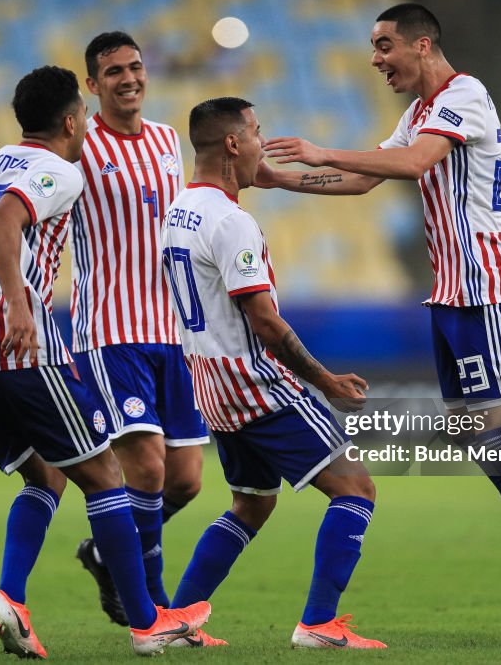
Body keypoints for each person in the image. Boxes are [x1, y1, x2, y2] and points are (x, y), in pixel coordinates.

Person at [260, 3, 501, 640]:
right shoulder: (419, 113)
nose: (376, 58)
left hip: (482, 286)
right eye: (372, 46)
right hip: (451, 295)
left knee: (495, 434)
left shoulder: (464, 94)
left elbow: (413, 165)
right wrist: (281, 179)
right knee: (479, 436)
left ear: (422, 45)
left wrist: (315, 149)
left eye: (385, 45)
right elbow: (362, 181)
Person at [0, 65, 210, 658]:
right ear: (69, 119)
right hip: (17, 351)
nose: (87, 123)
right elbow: (6, 218)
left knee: (47, 475)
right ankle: (145, 624)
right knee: (106, 477)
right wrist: (17, 308)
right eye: (83, 113)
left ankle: (11, 598)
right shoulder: (58, 169)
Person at [160, 96, 386, 650]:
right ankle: (318, 624)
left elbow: (247, 175)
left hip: (209, 382)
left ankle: (179, 620)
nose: (265, 139)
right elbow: (263, 318)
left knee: (253, 503)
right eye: (257, 131)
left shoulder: (178, 210)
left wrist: (278, 178)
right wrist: (324, 379)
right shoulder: (232, 222)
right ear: (234, 143)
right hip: (254, 381)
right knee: (356, 488)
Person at [70, 31, 209, 626]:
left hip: (172, 332)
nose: (129, 78)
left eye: (135, 67)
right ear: (92, 84)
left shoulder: (164, 141)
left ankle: (105, 551)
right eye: (114, 71)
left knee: (185, 481)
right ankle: (151, 608)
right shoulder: (77, 146)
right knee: (146, 468)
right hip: (107, 329)